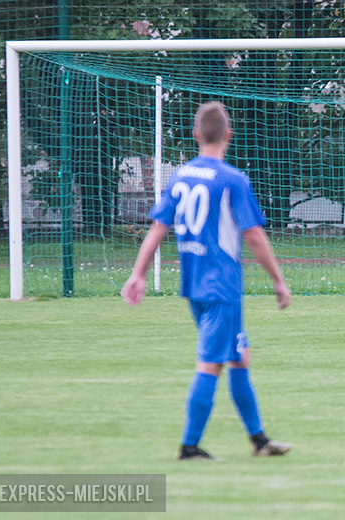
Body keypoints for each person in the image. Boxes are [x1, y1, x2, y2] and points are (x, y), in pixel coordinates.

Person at [121, 101, 291, 460]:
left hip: (194, 283)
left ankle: (260, 441)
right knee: (212, 362)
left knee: (239, 356)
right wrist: (278, 279)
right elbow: (254, 235)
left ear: (196, 134)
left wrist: (138, 274)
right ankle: (189, 446)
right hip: (222, 286)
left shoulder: (181, 176)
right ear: (229, 134)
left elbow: (157, 228)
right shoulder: (232, 179)